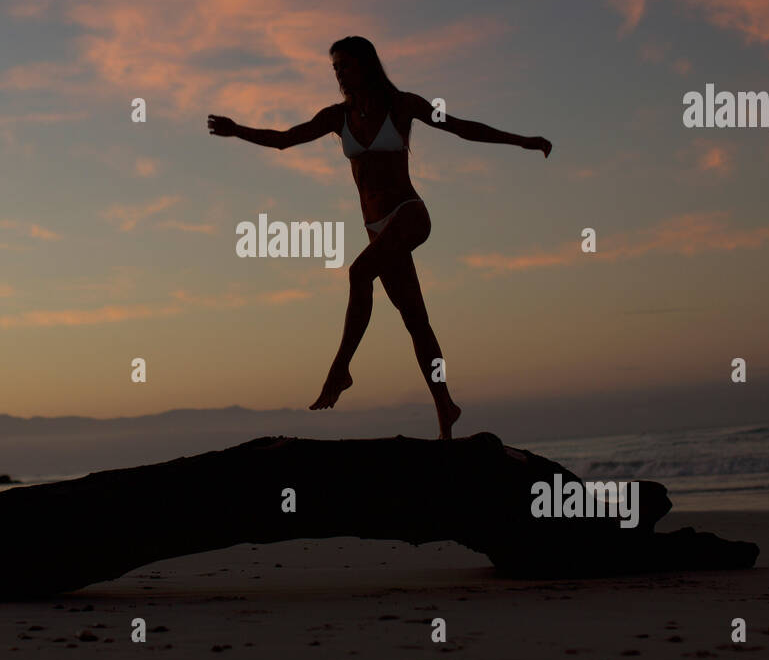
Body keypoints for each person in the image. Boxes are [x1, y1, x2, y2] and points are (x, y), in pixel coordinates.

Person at [208, 35, 551, 438]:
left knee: (358, 274)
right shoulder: (338, 117)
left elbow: (461, 128)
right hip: (376, 230)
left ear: (366, 65)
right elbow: (286, 140)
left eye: (346, 65)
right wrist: (237, 131)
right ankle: (446, 411)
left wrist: (522, 141)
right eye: (335, 67)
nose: (339, 73)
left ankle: (340, 369)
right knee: (416, 321)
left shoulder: (403, 105)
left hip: (409, 215)